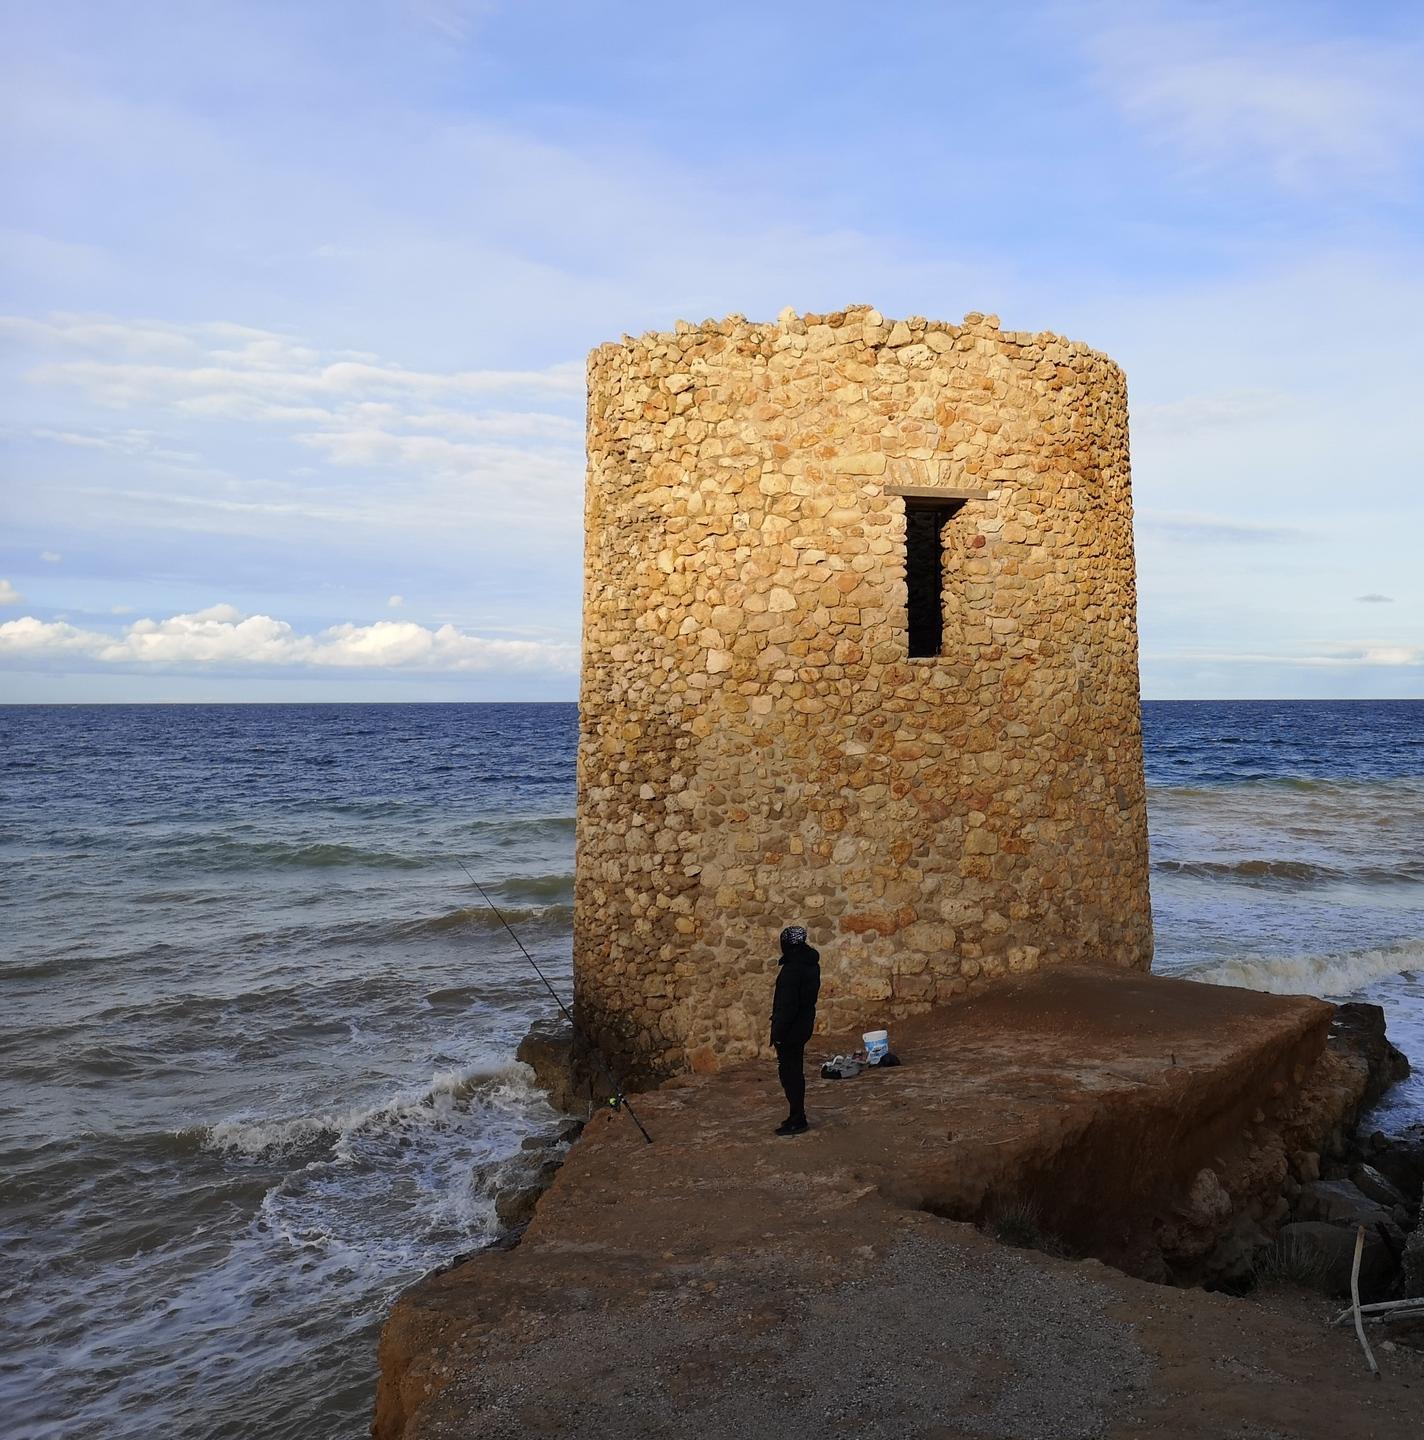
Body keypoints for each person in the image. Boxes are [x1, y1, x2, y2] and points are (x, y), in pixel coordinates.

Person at [770, 923, 820, 1136]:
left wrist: (777, 1034)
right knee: (795, 1072)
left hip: (790, 1031)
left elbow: (787, 1006)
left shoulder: (792, 970)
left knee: (790, 1074)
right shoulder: (811, 964)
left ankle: (797, 1117)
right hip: (804, 1024)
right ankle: (796, 1114)